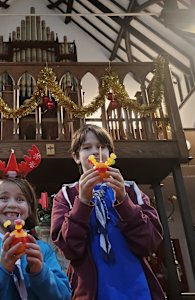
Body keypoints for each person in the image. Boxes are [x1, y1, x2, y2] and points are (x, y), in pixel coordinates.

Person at [51, 124, 165, 300]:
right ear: (76, 157)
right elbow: (69, 248)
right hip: (92, 291)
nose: (96, 152)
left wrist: (123, 201)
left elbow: (150, 242)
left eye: (101, 147)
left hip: (137, 288)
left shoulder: (131, 190)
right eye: (87, 148)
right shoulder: (66, 194)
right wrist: (82, 203)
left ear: (111, 154)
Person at [0, 146, 71, 300]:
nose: (12, 205)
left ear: (29, 209)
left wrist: (39, 271)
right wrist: (1, 268)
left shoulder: (42, 250)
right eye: (4, 198)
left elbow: (63, 295)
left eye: (20, 199)